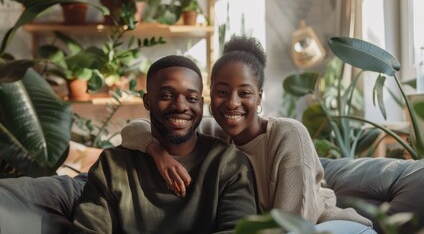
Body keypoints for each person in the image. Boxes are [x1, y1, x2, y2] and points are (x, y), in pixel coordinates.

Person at [121, 36, 376, 233]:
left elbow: (294, 223)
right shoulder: (211, 132)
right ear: (209, 94)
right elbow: (133, 129)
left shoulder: (287, 134)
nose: (232, 103)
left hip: (327, 227)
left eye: (244, 93)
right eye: (222, 92)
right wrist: (157, 151)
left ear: (259, 97)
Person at [69, 55, 258, 234]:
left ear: (201, 104)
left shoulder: (227, 163)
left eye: (191, 98)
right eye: (167, 95)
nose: (180, 106)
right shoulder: (113, 166)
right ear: (147, 101)